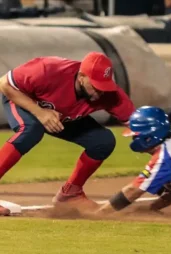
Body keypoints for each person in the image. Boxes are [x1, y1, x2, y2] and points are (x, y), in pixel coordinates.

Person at [0, 52, 135, 215]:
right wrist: (40, 113)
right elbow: (5, 84)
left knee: (103, 141)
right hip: (23, 99)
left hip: (61, 115)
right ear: (82, 77)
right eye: (96, 85)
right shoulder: (48, 70)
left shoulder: (110, 95)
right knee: (31, 130)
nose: (100, 92)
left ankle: (70, 193)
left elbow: (138, 126)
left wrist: (164, 159)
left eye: (104, 85)